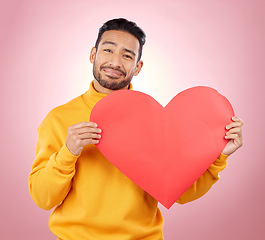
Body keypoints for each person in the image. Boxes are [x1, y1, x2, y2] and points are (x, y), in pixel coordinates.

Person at [28, 18, 244, 240]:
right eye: (108, 50)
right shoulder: (58, 118)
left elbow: (180, 193)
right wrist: (68, 152)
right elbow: (43, 198)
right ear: (93, 55)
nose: (115, 62)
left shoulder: (155, 122)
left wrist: (219, 157)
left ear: (138, 67)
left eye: (127, 55)